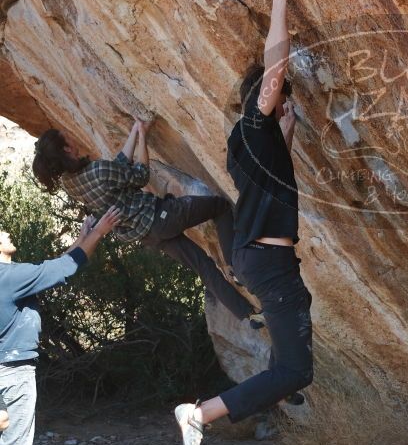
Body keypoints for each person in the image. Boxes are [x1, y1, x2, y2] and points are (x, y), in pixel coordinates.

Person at [173, 0, 313, 445]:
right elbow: (274, 70)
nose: (279, 106)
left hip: (263, 260)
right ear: (264, 101)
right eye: (278, 104)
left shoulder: (246, 144)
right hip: (270, 265)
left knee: (294, 328)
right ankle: (200, 414)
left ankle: (279, 381)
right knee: (297, 370)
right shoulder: (256, 122)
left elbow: (272, 179)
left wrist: (288, 132)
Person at [31, 118, 263, 325]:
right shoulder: (98, 170)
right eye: (67, 136)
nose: (71, 135)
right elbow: (141, 174)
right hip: (160, 217)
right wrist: (142, 137)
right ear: (67, 148)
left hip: (147, 236)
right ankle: (238, 269)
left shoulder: (70, 183)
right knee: (220, 206)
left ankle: (248, 315)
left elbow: (118, 168)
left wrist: (134, 130)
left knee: (204, 267)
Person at [0, 208, 121, 445]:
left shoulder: (11, 278)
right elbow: (65, 269)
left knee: (3, 431)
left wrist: (82, 239)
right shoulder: (9, 277)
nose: (6, 232)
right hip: (14, 373)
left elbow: (54, 267)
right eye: (1, 231)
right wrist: (100, 232)